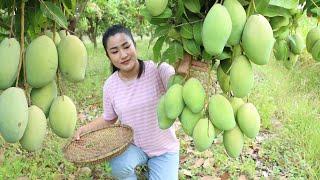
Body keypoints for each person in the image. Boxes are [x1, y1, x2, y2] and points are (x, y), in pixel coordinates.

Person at [74, 24, 187, 180]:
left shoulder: (157, 69)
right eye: (115, 51)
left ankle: (152, 170)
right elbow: (109, 118)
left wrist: (184, 65)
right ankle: (141, 172)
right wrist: (84, 130)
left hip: (164, 150)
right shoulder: (110, 85)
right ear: (108, 56)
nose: (123, 55)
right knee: (118, 166)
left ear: (135, 45)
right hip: (134, 147)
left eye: (126, 46)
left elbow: (177, 85)